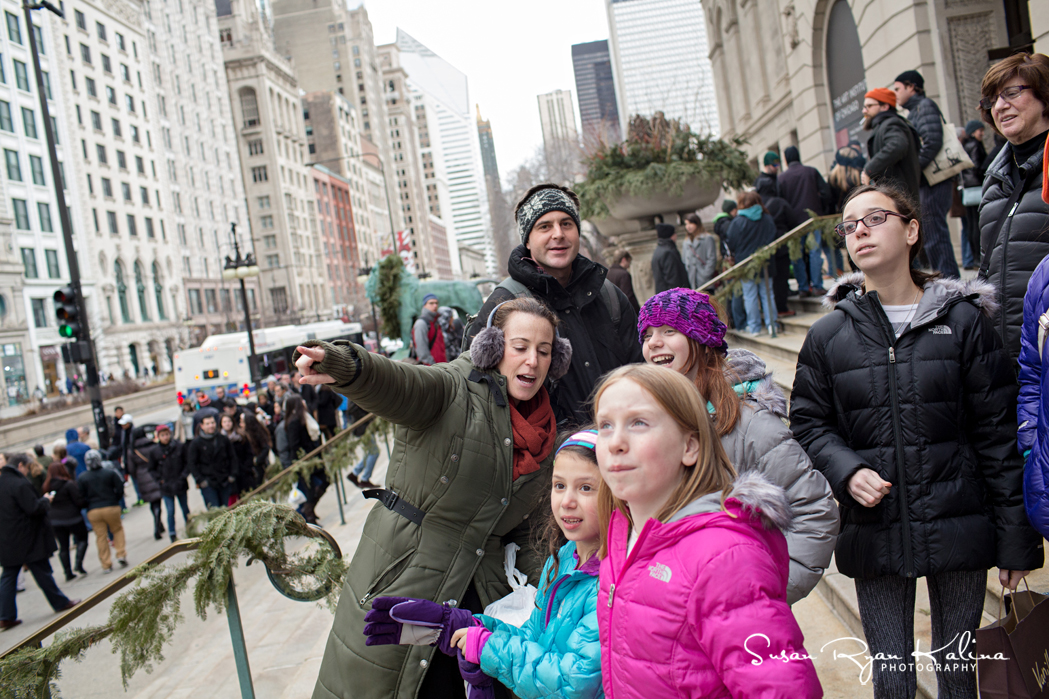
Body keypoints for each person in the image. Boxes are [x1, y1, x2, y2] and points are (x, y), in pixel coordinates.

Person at [789, 183, 1043, 698]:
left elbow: (997, 435)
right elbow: (809, 424)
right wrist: (848, 470)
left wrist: (1017, 541)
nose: (859, 230)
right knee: (893, 680)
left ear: (911, 230)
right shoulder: (828, 336)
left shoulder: (965, 322)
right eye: (849, 224)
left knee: (957, 679)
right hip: (874, 532)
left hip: (959, 527)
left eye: (874, 217)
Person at [294, 295, 568, 699]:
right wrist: (341, 365)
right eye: (520, 347)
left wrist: (550, 593)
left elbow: (526, 532)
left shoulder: (545, 433)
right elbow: (396, 383)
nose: (532, 361)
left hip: (479, 595)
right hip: (407, 573)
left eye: (544, 352)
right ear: (492, 347)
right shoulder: (451, 388)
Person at [591, 365, 822, 698]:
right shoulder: (620, 537)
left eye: (638, 423)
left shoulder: (725, 558)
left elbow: (784, 689)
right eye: (605, 426)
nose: (615, 443)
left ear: (690, 446)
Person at [367, 430, 604, 699]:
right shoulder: (562, 559)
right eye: (559, 485)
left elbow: (574, 684)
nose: (567, 501)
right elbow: (533, 639)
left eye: (586, 488)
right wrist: (467, 625)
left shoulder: (610, 582)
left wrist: (488, 647)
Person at [638, 288, 838, 603]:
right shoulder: (651, 423)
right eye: (647, 335)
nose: (654, 342)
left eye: (669, 330)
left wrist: (763, 595)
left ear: (701, 340)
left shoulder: (750, 422)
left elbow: (814, 512)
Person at [465, 184, 642, 427]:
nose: (558, 234)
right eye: (544, 226)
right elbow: (476, 394)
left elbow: (642, 373)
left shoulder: (610, 296)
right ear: (527, 240)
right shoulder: (503, 303)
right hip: (553, 459)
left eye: (566, 224)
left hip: (624, 443)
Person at [977, 52, 1049, 364]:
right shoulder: (994, 179)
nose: (1000, 106)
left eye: (1011, 93)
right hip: (1006, 358)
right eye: (992, 100)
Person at [0, 453, 80, 630]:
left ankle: (5, 616)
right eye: (27, 468)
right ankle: (60, 602)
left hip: (7, 538)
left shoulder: (3, 482)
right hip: (27, 537)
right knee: (41, 572)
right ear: (21, 465)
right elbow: (33, 508)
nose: (28, 472)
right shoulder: (19, 483)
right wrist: (45, 500)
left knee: (9, 576)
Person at [894, 69, 960, 278]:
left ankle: (951, 284)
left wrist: (913, 171)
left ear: (911, 87)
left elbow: (932, 142)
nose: (895, 94)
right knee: (932, 233)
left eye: (898, 89)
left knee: (934, 233)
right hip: (928, 180)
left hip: (934, 180)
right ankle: (947, 281)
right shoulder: (916, 111)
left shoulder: (924, 107)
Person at [778, 145, 840, 292]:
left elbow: (782, 202)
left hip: (794, 224)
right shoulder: (811, 172)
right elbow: (826, 193)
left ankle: (803, 287)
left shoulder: (782, 178)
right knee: (815, 253)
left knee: (797, 255)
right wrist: (820, 210)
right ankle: (817, 285)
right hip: (813, 219)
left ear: (786, 160)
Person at [726, 191, 777, 335]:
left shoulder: (738, 221)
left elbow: (731, 242)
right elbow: (773, 236)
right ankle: (772, 325)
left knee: (750, 297)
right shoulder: (767, 218)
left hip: (745, 264)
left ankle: (754, 327)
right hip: (765, 262)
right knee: (768, 294)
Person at [753, 175, 804, 316]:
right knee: (781, 278)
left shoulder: (754, 206)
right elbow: (793, 220)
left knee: (768, 282)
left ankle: (769, 310)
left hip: (761, 248)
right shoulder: (779, 202)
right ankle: (781, 307)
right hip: (781, 245)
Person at [861, 87, 921, 200]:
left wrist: (870, 169)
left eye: (869, 106)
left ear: (885, 106)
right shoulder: (883, 126)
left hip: (900, 196)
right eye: (864, 107)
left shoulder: (892, 123)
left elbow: (897, 145)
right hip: (895, 196)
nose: (864, 111)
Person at [276, 393, 326, 523]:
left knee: (325, 480)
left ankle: (309, 510)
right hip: (304, 461)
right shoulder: (294, 422)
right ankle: (309, 515)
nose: (304, 403)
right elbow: (295, 444)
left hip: (313, 458)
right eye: (301, 401)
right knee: (309, 489)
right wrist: (303, 459)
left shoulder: (305, 417)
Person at [76, 449, 127, 574]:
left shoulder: (82, 478)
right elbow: (120, 487)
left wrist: (88, 505)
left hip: (94, 510)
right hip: (111, 506)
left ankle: (106, 564)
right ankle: (121, 554)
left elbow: (80, 496)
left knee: (101, 536)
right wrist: (115, 499)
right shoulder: (109, 473)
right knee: (117, 530)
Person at [43, 459, 88, 581]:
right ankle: (78, 563)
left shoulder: (46, 486)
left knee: (63, 547)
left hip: (56, 520)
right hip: (73, 518)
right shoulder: (69, 484)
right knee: (83, 539)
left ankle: (67, 572)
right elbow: (78, 501)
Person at [148, 424, 190, 543]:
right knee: (170, 511)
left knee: (185, 508)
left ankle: (190, 528)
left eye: (167, 434)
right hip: (166, 486)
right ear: (158, 436)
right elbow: (151, 469)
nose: (165, 437)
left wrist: (183, 477)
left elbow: (187, 463)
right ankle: (172, 533)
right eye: (162, 435)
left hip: (180, 483)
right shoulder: (155, 451)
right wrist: (160, 480)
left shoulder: (179, 446)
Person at [187, 415, 237, 509]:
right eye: (207, 424)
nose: (211, 426)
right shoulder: (196, 443)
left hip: (224, 481)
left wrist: (232, 475)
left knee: (226, 509)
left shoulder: (222, 439)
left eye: (212, 423)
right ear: (202, 426)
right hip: (208, 483)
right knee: (215, 510)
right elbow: (192, 463)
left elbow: (232, 457)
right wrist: (200, 480)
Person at [713, 199, 747, 329]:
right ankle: (739, 322)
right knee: (736, 291)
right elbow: (730, 243)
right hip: (731, 262)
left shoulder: (720, 223)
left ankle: (732, 321)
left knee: (731, 293)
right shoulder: (727, 224)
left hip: (726, 262)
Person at [959, 120, 988, 270]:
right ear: (972, 132)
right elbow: (978, 167)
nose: (982, 133)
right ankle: (978, 258)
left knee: (970, 225)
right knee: (978, 224)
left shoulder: (964, 146)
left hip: (968, 190)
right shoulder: (975, 146)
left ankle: (975, 258)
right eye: (979, 130)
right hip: (977, 187)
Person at [127, 430, 165, 539]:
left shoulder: (133, 450)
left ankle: (158, 522)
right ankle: (159, 523)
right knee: (158, 501)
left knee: (152, 503)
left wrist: (138, 475)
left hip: (142, 477)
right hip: (154, 475)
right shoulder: (152, 445)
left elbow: (131, 468)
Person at [221, 413, 254, 504]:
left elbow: (249, 453)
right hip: (229, 475)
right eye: (224, 422)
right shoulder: (220, 440)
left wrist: (247, 467)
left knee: (246, 498)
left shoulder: (241, 437)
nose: (227, 424)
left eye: (229, 421)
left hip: (243, 472)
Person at [681, 213, 718, 290]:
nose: (688, 227)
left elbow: (712, 258)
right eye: (686, 224)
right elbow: (684, 260)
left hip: (705, 279)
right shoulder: (686, 241)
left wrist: (705, 274)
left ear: (697, 223)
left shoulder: (707, 238)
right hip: (692, 279)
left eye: (691, 223)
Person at [651, 222, 691, 293]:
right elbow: (673, 278)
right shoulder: (668, 252)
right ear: (671, 235)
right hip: (673, 296)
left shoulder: (659, 250)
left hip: (665, 295)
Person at [240, 411, 272, 491]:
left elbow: (266, 447)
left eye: (242, 422)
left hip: (259, 467)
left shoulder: (256, 434)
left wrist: (257, 460)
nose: (240, 425)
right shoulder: (243, 435)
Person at [412, 293, 447, 366]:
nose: (435, 305)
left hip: (441, 369)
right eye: (431, 303)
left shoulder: (436, 322)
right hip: (431, 371)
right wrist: (434, 368)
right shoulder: (421, 324)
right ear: (424, 305)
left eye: (436, 303)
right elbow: (422, 353)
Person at [604, 249, 641, 314]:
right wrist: (638, 312)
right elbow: (629, 296)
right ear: (623, 260)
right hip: (625, 312)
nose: (629, 266)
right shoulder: (624, 274)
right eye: (629, 262)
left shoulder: (607, 273)